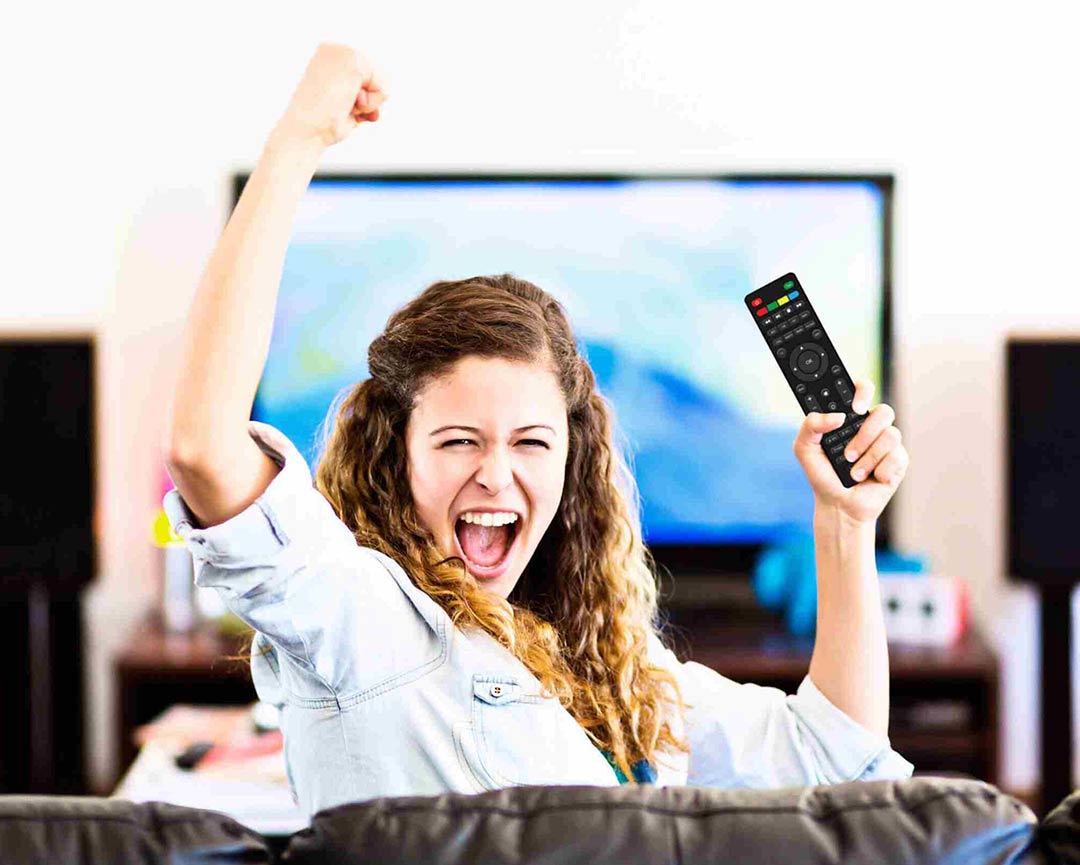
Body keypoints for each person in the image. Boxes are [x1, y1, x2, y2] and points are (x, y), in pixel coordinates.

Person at [162, 42, 914, 820]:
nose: (496, 474)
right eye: (459, 440)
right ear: (396, 454)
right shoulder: (364, 624)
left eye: (531, 443)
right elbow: (204, 449)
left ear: (572, 460)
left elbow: (833, 757)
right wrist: (298, 141)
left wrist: (845, 522)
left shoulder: (612, 665)